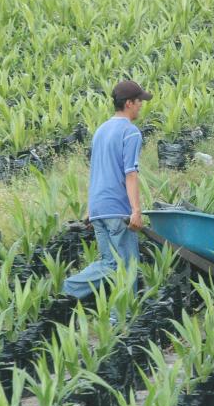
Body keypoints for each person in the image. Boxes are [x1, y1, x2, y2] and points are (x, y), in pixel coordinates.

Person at [62, 80, 152, 299]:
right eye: (139, 101)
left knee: (109, 263)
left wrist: (92, 209)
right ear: (129, 103)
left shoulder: (101, 131)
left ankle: (69, 290)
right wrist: (136, 211)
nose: (141, 105)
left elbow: (97, 170)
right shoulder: (131, 133)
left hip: (99, 208)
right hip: (117, 209)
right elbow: (130, 173)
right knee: (127, 266)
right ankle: (122, 319)